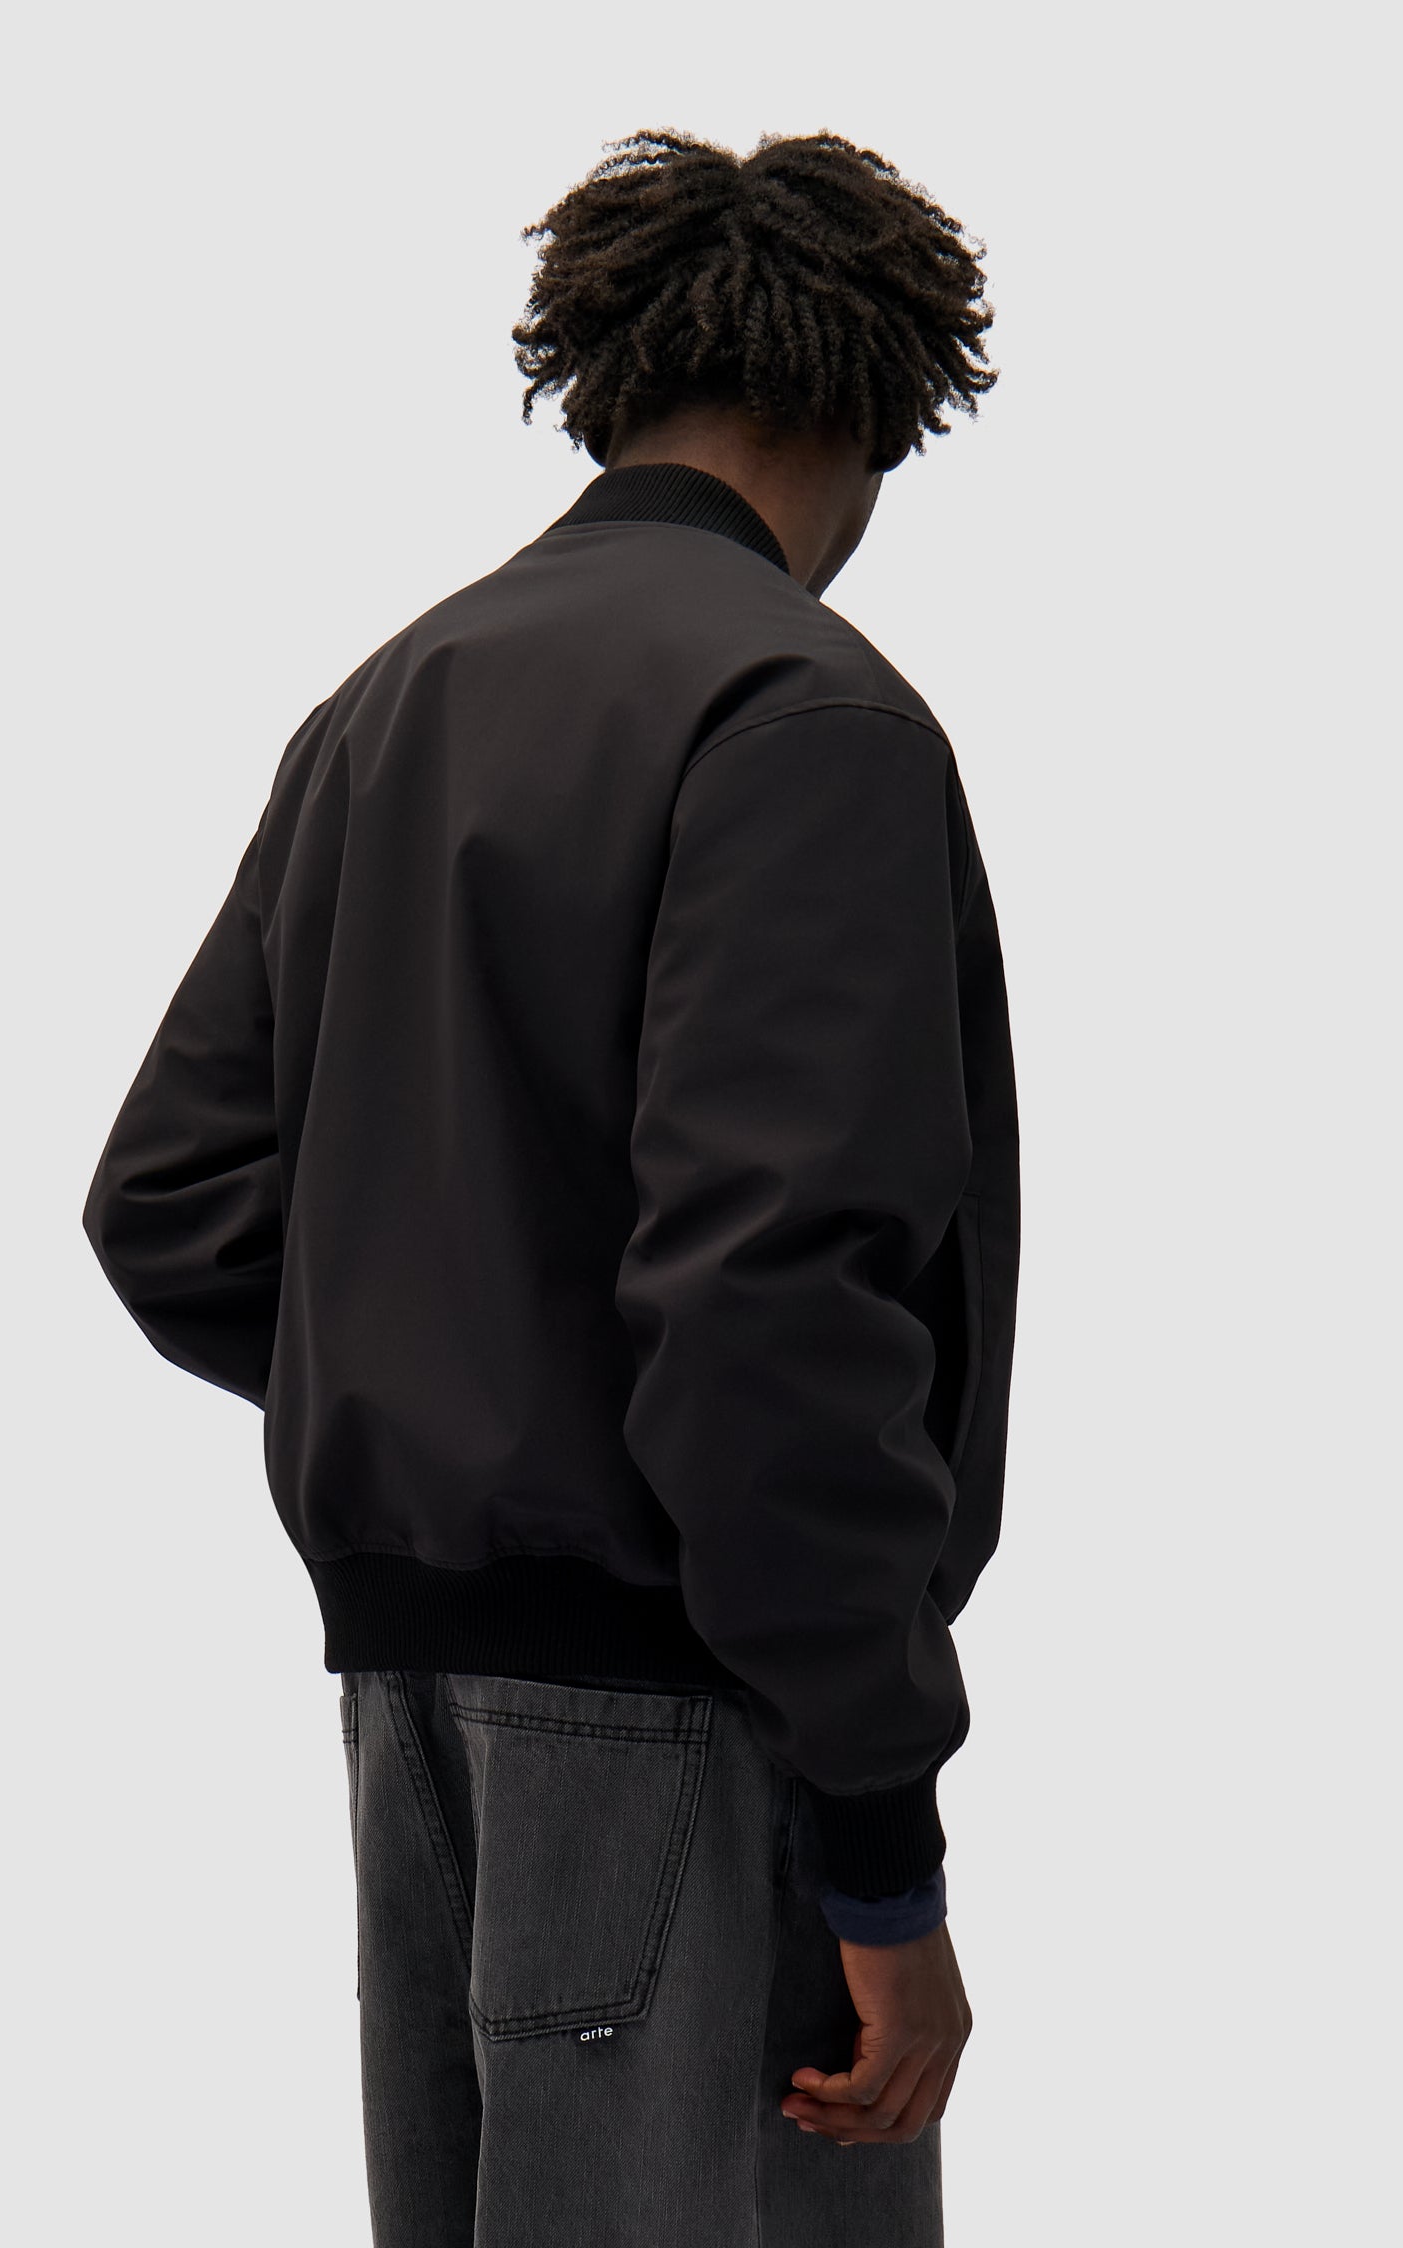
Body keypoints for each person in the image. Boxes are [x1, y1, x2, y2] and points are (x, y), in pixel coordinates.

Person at [82, 125, 1020, 2246]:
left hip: (407, 1710)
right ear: (863, 399)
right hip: (694, 1713)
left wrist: (469, 1391)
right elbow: (775, 1296)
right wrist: (884, 1851)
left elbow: (173, 1203)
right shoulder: (802, 712)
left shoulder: (386, 701)